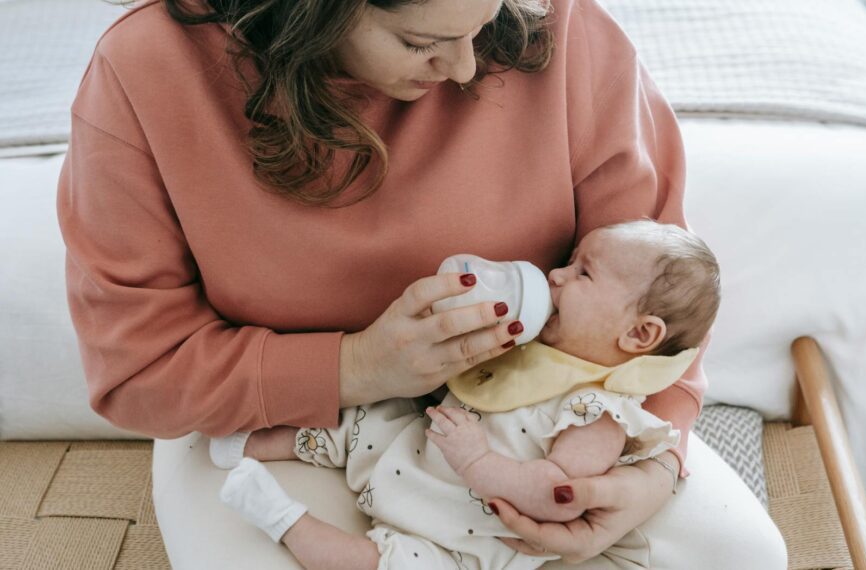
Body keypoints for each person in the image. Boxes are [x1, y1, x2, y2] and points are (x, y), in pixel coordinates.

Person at [56, 0, 787, 567]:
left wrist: (656, 466)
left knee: (741, 557)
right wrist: (360, 366)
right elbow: (138, 371)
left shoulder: (557, 24)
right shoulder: (149, 71)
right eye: (420, 42)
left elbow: (662, 293)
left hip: (537, 409)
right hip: (277, 421)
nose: (468, 69)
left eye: (487, 19)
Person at [213, 220, 720, 569]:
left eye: (582, 272)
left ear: (639, 336)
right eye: (568, 261)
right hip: (414, 451)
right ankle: (250, 445)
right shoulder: (538, 347)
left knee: (381, 566)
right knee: (367, 418)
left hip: (457, 536)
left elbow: (556, 496)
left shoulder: (600, 413)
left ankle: (280, 519)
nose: (555, 275)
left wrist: (476, 459)